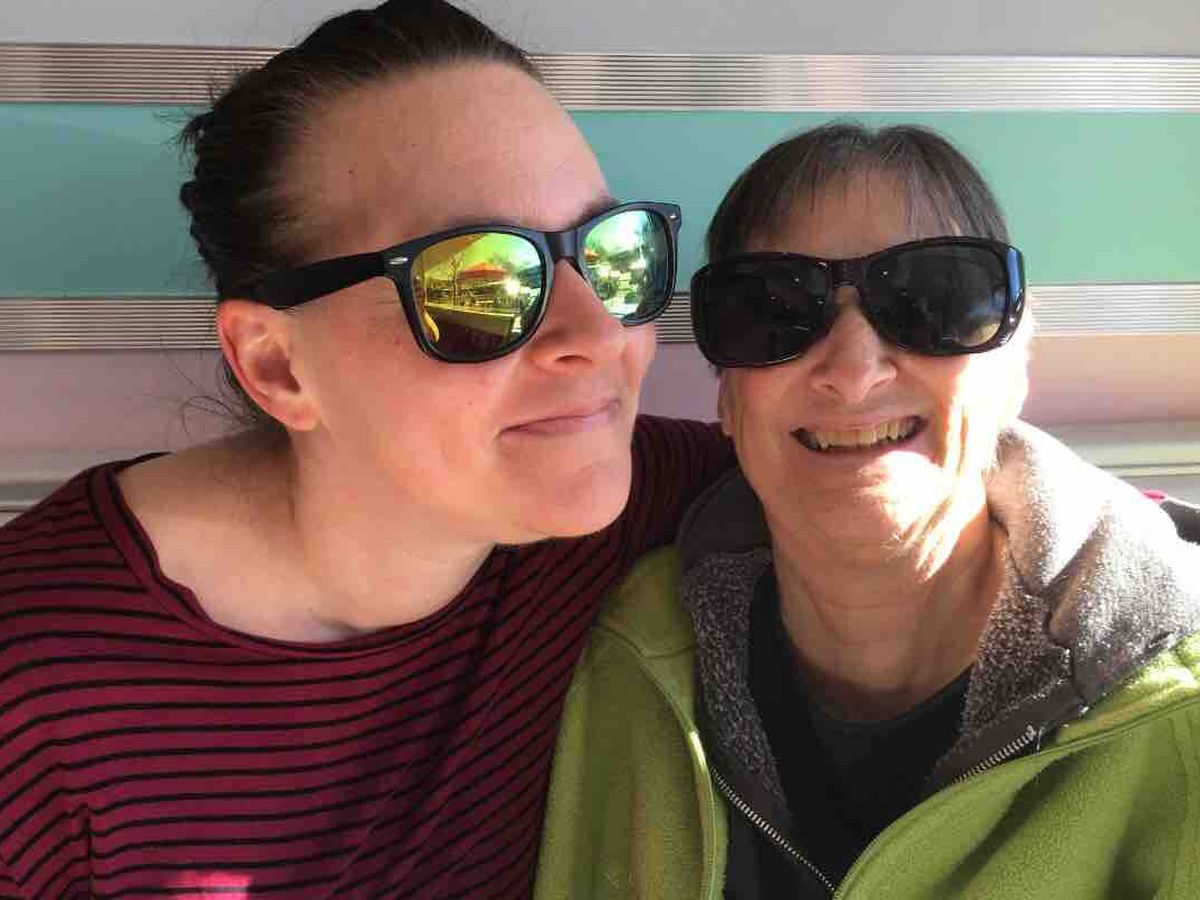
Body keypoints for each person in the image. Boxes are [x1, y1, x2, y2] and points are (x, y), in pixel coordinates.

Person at [0, 3, 732, 896]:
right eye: (479, 284)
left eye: (614, 253)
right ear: (277, 367)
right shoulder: (33, 686)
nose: (597, 334)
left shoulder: (638, 504)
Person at [535, 123, 1200, 899]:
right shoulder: (627, 659)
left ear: (1014, 365)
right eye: (776, 308)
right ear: (728, 397)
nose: (853, 372)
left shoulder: (1179, 712)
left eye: (934, 300)